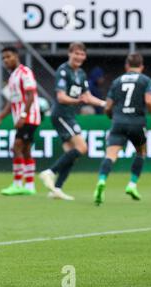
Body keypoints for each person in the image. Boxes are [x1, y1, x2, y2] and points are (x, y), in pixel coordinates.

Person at [39, 42, 106, 201]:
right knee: (82, 147)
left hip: (69, 115)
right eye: (76, 53)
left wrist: (105, 104)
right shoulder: (63, 71)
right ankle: (49, 172)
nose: (79, 57)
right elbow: (61, 97)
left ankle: (57, 189)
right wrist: (77, 102)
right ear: (69, 54)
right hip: (61, 114)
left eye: (82, 54)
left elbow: (87, 96)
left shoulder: (81, 73)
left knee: (72, 154)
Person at [93, 53, 151, 205]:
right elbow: (149, 101)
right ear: (142, 66)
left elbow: (108, 106)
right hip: (137, 122)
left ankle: (102, 181)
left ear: (126, 66)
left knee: (111, 155)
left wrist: (112, 116)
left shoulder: (117, 81)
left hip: (119, 121)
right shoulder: (146, 80)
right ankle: (132, 184)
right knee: (141, 152)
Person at [0, 46, 41, 196]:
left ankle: (17, 184)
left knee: (16, 148)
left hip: (29, 118)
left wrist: (22, 115)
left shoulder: (25, 72)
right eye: (3, 58)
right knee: (26, 151)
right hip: (23, 118)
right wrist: (0, 117)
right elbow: (12, 101)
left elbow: (31, 95)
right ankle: (29, 186)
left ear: (16, 56)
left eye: (8, 56)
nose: (6, 60)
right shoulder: (13, 77)